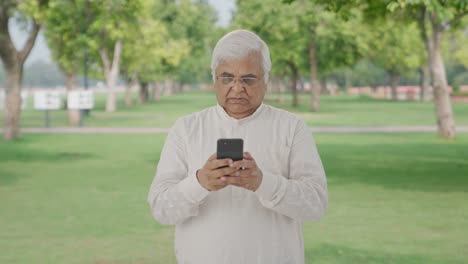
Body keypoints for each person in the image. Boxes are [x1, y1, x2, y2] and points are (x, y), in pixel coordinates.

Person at [147, 29, 328, 264]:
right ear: (215, 80)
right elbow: (161, 209)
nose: (237, 88)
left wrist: (263, 183)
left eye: (248, 79)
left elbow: (315, 205)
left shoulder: (291, 127)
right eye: (227, 78)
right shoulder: (186, 129)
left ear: (266, 80)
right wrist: (200, 182)